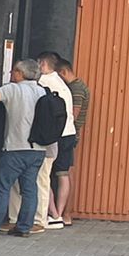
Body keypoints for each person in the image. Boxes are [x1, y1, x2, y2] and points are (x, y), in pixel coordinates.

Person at [0, 60, 47, 235]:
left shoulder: (13, 89)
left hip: (16, 147)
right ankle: (24, 227)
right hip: (38, 149)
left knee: (2, 186)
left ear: (20, 73)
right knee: (30, 189)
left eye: (13, 70)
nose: (10, 73)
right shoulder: (42, 91)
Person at [33, 51, 78, 231]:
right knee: (62, 174)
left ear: (43, 64)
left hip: (54, 135)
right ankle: (59, 213)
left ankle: (52, 213)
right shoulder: (62, 82)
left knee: (44, 175)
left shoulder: (44, 82)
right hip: (69, 132)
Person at [52, 55, 90, 226]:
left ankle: (63, 213)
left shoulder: (76, 89)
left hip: (68, 135)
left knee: (64, 173)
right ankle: (63, 213)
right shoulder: (79, 86)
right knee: (65, 173)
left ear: (63, 72)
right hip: (72, 134)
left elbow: (73, 115)